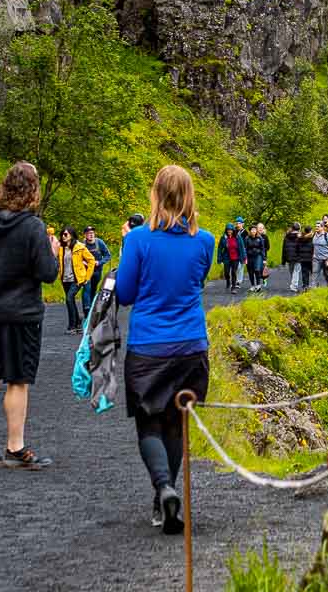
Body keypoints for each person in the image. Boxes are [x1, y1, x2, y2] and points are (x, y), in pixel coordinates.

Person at [113, 165, 214, 534]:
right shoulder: (205, 240)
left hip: (149, 345)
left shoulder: (138, 240)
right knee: (176, 425)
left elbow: (124, 293)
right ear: (190, 195)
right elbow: (199, 279)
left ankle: (164, 487)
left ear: (155, 194)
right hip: (190, 344)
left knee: (149, 423)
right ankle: (165, 498)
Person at [0, 161, 59, 468]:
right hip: (23, 313)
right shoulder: (33, 227)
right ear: (33, 189)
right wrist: (53, 253)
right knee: (18, 380)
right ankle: (15, 447)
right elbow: (47, 274)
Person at [57, 226, 96, 335]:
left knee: (69, 299)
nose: (63, 237)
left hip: (77, 279)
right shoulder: (61, 248)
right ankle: (78, 323)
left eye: (66, 234)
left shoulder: (80, 247)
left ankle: (72, 326)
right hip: (65, 278)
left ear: (72, 235)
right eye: (62, 234)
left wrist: (87, 277)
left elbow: (91, 261)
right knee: (71, 300)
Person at [82, 226, 112, 313]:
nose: (91, 235)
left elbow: (108, 255)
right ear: (85, 235)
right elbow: (78, 257)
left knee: (93, 289)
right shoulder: (82, 244)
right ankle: (87, 309)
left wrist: (99, 262)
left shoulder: (99, 243)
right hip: (86, 271)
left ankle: (92, 309)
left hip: (97, 271)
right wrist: (84, 263)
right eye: (88, 233)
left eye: (92, 233)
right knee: (87, 288)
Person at [216, 223, 245, 295]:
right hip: (226, 257)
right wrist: (219, 258)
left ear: (233, 230)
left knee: (234, 272)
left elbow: (241, 248)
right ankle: (228, 281)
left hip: (235, 257)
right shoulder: (224, 237)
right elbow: (220, 248)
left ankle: (233, 288)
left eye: (231, 230)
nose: (229, 231)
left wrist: (243, 258)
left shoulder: (237, 237)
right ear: (226, 230)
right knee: (226, 272)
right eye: (228, 230)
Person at [284, 222, 312, 292]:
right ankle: (294, 286)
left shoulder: (287, 235)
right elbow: (302, 245)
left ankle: (293, 284)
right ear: (299, 228)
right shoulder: (300, 236)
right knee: (296, 271)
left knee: (292, 270)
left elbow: (284, 248)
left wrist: (284, 259)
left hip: (289, 256)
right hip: (297, 256)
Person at [244, 223, 269, 293]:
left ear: (256, 231)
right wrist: (245, 258)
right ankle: (252, 286)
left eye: (254, 230)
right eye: (252, 230)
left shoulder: (259, 238)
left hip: (258, 256)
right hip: (249, 256)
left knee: (257, 270)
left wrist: (264, 259)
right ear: (250, 231)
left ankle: (258, 285)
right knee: (250, 272)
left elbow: (263, 249)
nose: (253, 231)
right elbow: (245, 249)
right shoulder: (247, 238)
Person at [312, 220, 328, 287]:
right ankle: (313, 287)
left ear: (322, 227)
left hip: (325, 258)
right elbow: (314, 245)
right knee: (314, 273)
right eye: (316, 226)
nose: (316, 228)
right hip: (316, 258)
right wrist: (313, 255)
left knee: (327, 274)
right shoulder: (314, 235)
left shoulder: (327, 236)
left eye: (318, 227)